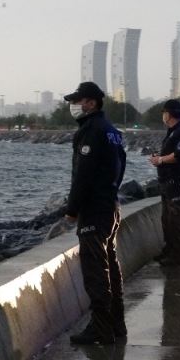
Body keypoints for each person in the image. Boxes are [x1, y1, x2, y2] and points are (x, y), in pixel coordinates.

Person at [63, 81, 127, 345]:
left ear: (91, 102)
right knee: (110, 264)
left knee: (95, 268)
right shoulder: (112, 131)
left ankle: (100, 328)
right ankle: (116, 324)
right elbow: (120, 166)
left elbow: (84, 174)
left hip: (94, 210)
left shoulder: (91, 131)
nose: (74, 106)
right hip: (109, 205)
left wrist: (73, 208)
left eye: (78, 101)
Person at [149, 99, 180, 267]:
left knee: (176, 222)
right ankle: (168, 251)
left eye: (164, 113)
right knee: (167, 220)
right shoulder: (173, 131)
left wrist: (160, 160)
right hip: (167, 183)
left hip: (177, 183)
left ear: (168, 114)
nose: (163, 116)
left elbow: (179, 155)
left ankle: (177, 257)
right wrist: (159, 158)